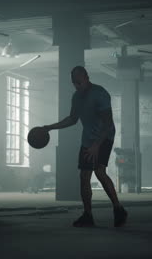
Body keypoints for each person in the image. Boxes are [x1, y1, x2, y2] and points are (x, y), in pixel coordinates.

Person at [42, 66, 128, 227]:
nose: (77, 86)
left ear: (87, 78)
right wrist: (50, 127)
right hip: (88, 139)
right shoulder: (76, 97)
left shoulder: (100, 93)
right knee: (84, 176)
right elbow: (72, 119)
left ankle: (118, 209)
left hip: (104, 136)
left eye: (79, 82)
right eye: (74, 83)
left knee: (100, 172)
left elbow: (108, 123)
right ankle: (88, 215)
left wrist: (97, 145)